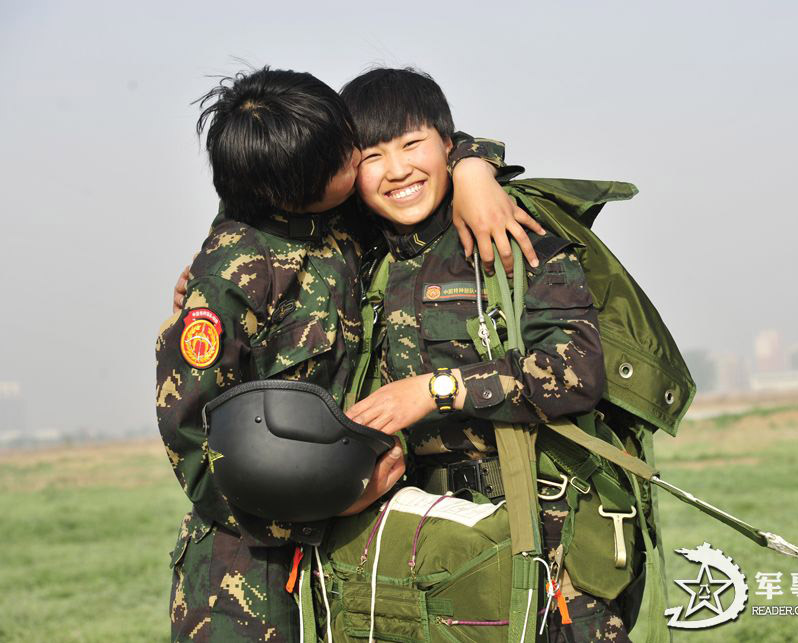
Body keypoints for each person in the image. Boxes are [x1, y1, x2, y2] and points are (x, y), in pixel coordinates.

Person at [157, 66, 542, 641]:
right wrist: (315, 512)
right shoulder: (236, 271)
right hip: (247, 569)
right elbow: (189, 434)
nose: (359, 160)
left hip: (355, 553)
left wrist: (475, 170)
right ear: (296, 188)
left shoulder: (337, 227)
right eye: (347, 158)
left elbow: (425, 142)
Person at [339, 68, 631, 642]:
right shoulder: (362, 257)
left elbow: (576, 371)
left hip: (545, 540)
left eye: (412, 145)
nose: (397, 169)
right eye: (372, 155)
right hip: (429, 541)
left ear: (446, 145)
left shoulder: (506, 232)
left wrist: (436, 389)